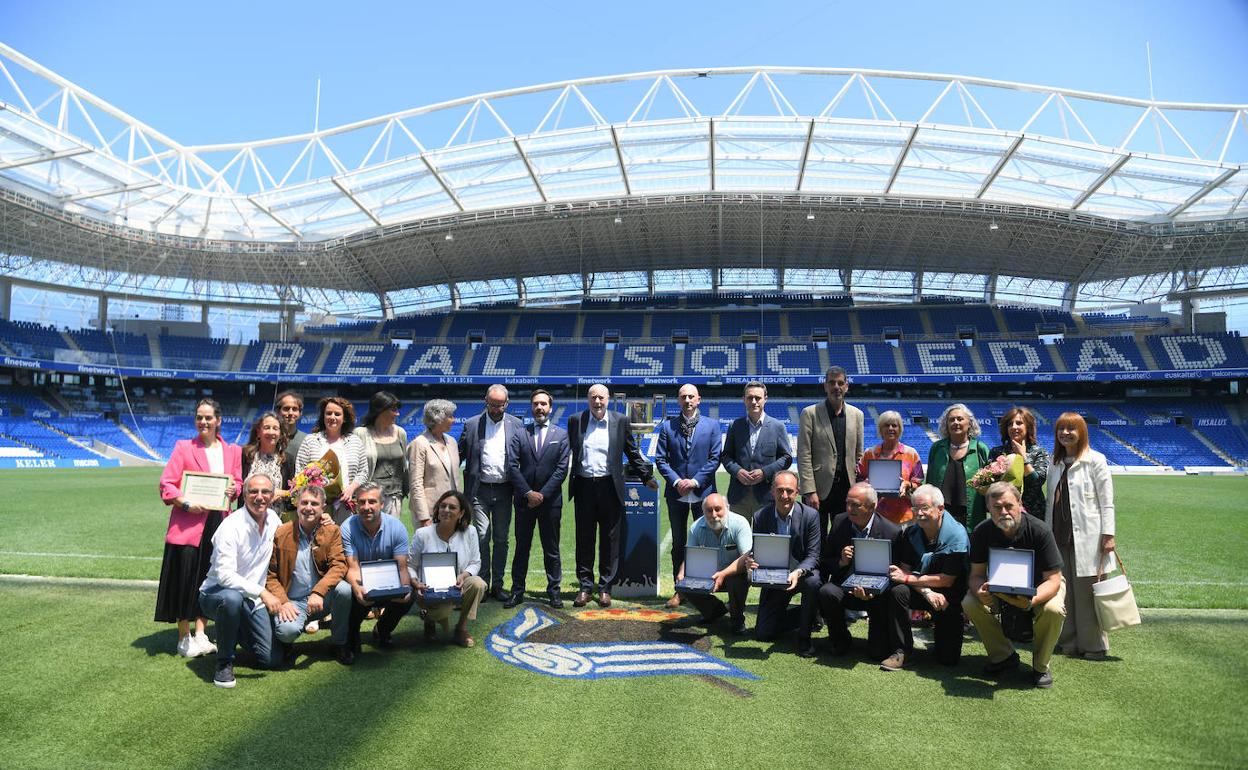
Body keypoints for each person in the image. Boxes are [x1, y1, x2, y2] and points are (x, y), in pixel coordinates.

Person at [155, 397, 242, 659]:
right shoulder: (183, 447)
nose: (203, 422)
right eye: (199, 417)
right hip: (188, 525)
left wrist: (234, 488)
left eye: (208, 417)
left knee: (209, 578)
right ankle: (184, 637)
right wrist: (185, 503)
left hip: (219, 523)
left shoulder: (233, 451)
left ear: (218, 420)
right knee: (185, 579)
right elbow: (166, 484)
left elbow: (238, 483)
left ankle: (201, 633)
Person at [963, 482, 1066, 689]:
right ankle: (1003, 656)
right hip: (999, 586)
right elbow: (976, 575)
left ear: (1019, 503)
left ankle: (1041, 666)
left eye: (1009, 506)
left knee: (1054, 609)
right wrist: (980, 591)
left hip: (1040, 587)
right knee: (969, 602)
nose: (1003, 512)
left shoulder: (1040, 530)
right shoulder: (982, 531)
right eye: (997, 507)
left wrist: (1031, 601)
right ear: (988, 508)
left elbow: (1054, 579)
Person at [566, 383, 657, 608]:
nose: (597, 402)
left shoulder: (620, 421)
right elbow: (567, 451)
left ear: (608, 399)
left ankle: (605, 588)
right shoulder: (576, 420)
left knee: (610, 540)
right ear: (588, 399)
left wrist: (646, 477)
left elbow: (631, 451)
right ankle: (585, 587)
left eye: (601, 398)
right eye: (593, 397)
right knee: (584, 539)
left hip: (610, 487)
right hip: (584, 486)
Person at [196, 473, 283, 687]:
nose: (259, 497)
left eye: (265, 492)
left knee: (271, 659)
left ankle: (236, 631)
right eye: (253, 491)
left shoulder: (274, 519)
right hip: (217, 593)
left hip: (250, 598)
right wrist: (262, 592)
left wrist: (323, 520)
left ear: (272, 496)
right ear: (244, 496)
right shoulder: (230, 527)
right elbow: (225, 576)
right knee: (232, 599)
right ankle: (224, 663)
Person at [1045, 412, 1116, 659]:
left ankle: (1094, 645)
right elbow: (1050, 502)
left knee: (1087, 593)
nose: (1065, 433)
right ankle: (1069, 641)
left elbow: (1107, 502)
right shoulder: (1054, 462)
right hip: (1058, 535)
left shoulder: (1095, 460)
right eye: (1061, 429)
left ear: (1081, 432)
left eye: (1071, 428)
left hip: (1089, 537)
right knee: (1065, 591)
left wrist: (1108, 535)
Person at [816, 482, 904, 668]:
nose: (849, 509)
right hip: (845, 587)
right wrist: (841, 561)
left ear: (872, 507)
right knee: (827, 591)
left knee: (877, 653)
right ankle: (840, 639)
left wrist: (874, 589)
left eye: (856, 505)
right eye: (848, 503)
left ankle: (880, 640)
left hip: (877, 595)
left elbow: (896, 574)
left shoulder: (892, 532)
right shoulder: (839, 522)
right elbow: (825, 560)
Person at [265, 485, 354, 665]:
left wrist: (319, 592)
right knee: (286, 632)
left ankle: (339, 643)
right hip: (293, 601)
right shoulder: (282, 532)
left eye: (314, 504)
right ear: (297, 505)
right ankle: (286, 643)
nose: (308, 508)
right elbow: (271, 575)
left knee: (344, 590)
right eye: (304, 502)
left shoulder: (331, 531)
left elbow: (338, 566)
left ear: (323, 508)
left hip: (322, 599)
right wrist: (284, 602)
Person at [886, 484, 969, 667]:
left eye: (924, 508)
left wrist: (908, 579)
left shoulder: (957, 536)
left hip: (949, 595)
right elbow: (903, 572)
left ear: (940, 509)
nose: (919, 513)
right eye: (915, 508)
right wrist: (927, 592)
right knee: (898, 591)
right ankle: (902, 650)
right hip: (922, 590)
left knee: (948, 660)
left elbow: (947, 580)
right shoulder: (911, 533)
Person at [655, 383, 722, 608]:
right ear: (678, 400)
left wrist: (694, 481)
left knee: (704, 543)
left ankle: (702, 589)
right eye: (683, 397)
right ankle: (680, 590)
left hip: (703, 493)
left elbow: (714, 458)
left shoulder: (712, 426)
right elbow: (661, 459)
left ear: (699, 399)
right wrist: (677, 481)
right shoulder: (667, 427)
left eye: (691, 396)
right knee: (678, 543)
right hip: (677, 494)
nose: (687, 400)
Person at [505, 389, 570, 609]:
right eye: (535, 404)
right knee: (522, 548)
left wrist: (542, 494)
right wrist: (528, 493)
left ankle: (554, 592)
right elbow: (512, 466)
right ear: (531, 407)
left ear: (550, 407)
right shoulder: (520, 434)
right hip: (524, 502)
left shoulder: (561, 435)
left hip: (550, 503)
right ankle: (517, 591)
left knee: (551, 549)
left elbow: (561, 470)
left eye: (543, 404)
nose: (539, 407)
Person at [458, 384, 523, 600]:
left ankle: (498, 585)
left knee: (502, 539)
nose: (496, 409)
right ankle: (483, 583)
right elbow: (457, 455)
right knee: (482, 536)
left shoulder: (516, 425)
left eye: (500, 405)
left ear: (507, 403)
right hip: (479, 490)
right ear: (486, 401)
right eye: (492, 404)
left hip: (505, 490)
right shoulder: (472, 424)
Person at [747, 471, 822, 657]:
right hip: (774, 576)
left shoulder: (811, 515)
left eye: (789, 491)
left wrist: (797, 572)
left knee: (813, 581)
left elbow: (813, 555)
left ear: (797, 492)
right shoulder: (760, 516)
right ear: (772, 491)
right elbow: (757, 551)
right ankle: (810, 614)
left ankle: (804, 637)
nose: (784, 496)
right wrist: (751, 560)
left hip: (801, 573)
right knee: (764, 633)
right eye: (780, 490)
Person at [341, 482, 414, 655]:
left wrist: (404, 590)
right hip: (361, 580)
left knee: (410, 594)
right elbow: (352, 568)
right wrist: (358, 588)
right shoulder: (347, 528)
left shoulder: (397, 527)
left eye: (372, 502)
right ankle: (352, 633)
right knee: (349, 592)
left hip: (388, 583)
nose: (366, 507)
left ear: (382, 504)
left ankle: (382, 630)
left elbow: (402, 568)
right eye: (362, 502)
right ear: (356, 504)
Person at [410, 491, 487, 648]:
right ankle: (430, 619)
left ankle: (461, 628)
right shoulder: (422, 534)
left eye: (452, 507)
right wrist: (416, 583)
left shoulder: (470, 532)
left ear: (461, 513)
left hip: (457, 586)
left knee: (478, 584)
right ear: (437, 509)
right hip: (429, 590)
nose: (446, 510)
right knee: (441, 611)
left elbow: (475, 562)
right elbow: (410, 565)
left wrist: (464, 575)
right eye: (443, 506)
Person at [798, 365, 865, 543]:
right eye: (832, 383)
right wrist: (809, 491)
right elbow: (804, 454)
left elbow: (859, 455)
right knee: (814, 539)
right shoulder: (810, 413)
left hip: (846, 489)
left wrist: (859, 488)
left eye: (840, 383)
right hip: (818, 489)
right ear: (825, 386)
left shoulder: (857, 415)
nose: (836, 387)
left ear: (847, 386)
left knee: (843, 539)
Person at [676, 493, 752, 635]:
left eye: (718, 509)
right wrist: (681, 573)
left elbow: (747, 557)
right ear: (703, 511)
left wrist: (723, 574)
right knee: (684, 581)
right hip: (708, 575)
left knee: (738, 579)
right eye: (709, 510)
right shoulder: (695, 527)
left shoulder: (740, 523)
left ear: (727, 508)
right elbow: (690, 557)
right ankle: (714, 611)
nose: (714, 515)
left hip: (734, 574)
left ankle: (737, 619)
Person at [721, 381, 792, 518]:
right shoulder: (735, 426)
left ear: (765, 399)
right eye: (750, 398)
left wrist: (765, 473)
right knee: (738, 532)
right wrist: (737, 471)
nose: (754, 402)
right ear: (744, 399)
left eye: (758, 398)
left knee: (764, 532)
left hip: (767, 495)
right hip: (739, 497)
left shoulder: (778, 427)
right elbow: (726, 456)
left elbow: (786, 458)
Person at [294, 396, 368, 524]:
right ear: (323, 416)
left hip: (346, 505)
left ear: (344, 418)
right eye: (328, 413)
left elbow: (363, 472)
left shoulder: (355, 441)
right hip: (316, 507)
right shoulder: (311, 441)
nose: (332, 417)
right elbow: (300, 471)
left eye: (337, 414)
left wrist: (351, 488)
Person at [925, 403, 991, 529]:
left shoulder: (980, 449)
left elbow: (990, 485)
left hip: (972, 516)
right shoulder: (937, 448)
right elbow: (929, 482)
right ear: (946, 424)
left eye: (960, 419)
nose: (956, 422)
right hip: (941, 515)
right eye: (951, 420)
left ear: (969, 423)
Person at [856, 410, 924, 526]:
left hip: (905, 517)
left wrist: (908, 484)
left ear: (900, 429)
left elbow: (919, 483)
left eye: (894, 425)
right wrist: (866, 483)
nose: (890, 428)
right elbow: (858, 479)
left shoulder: (911, 454)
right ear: (880, 429)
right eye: (886, 425)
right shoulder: (869, 454)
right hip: (876, 515)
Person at [353, 391, 409, 518]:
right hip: (368, 498)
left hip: (394, 497)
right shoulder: (361, 434)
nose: (397, 414)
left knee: (390, 529)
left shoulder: (400, 433)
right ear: (380, 410)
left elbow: (404, 466)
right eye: (393, 410)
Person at [407, 398, 461, 530]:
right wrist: (424, 517)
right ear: (438, 418)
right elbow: (415, 483)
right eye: (450, 416)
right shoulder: (419, 443)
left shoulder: (452, 442)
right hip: (430, 512)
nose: (454, 420)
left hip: (452, 510)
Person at [988, 406, 1049, 519]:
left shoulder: (1039, 452)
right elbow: (989, 484)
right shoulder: (996, 452)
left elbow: (1037, 483)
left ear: (1028, 427)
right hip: (1003, 512)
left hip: (1033, 513)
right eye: (1010, 424)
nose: (1014, 427)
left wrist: (1023, 457)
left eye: (1019, 423)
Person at [241, 411, 288, 502]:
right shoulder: (244, 455)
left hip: (276, 510)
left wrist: (282, 493)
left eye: (275, 428)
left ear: (281, 434)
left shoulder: (287, 460)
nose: (271, 432)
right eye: (267, 428)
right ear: (258, 432)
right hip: (247, 510)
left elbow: (294, 492)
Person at [276, 390, 307, 491]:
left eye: (294, 409)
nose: (290, 413)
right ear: (278, 411)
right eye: (286, 409)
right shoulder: (270, 438)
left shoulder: (307, 440)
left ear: (300, 413)